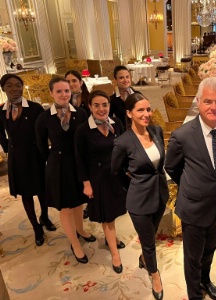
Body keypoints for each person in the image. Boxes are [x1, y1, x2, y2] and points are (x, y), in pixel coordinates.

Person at [165, 77, 216, 300]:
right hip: (194, 209)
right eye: (208, 101)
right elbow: (172, 167)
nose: (214, 107)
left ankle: (205, 280)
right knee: (193, 258)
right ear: (198, 101)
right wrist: (192, 186)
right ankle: (194, 295)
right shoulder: (182, 135)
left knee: (210, 251)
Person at [111, 93, 168, 299]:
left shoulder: (156, 131)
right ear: (129, 113)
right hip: (139, 200)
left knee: (151, 234)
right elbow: (116, 171)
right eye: (140, 110)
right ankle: (154, 275)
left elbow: (159, 164)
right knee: (149, 241)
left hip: (160, 194)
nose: (147, 114)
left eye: (148, 109)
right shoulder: (123, 142)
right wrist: (133, 185)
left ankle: (144, 259)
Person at [35, 77, 95, 264]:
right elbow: (41, 146)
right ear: (51, 93)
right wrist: (53, 162)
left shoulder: (81, 113)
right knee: (66, 206)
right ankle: (75, 243)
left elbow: (87, 138)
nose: (64, 95)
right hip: (59, 166)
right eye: (59, 91)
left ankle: (81, 229)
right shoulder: (44, 118)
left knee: (79, 202)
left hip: (79, 164)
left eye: (67, 91)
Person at [0, 74, 56, 247]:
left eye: (18, 85)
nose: (14, 88)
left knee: (42, 190)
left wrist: (45, 152)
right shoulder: (1, 111)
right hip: (17, 157)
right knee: (25, 194)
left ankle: (45, 217)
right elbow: (1, 134)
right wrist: (9, 148)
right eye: (9, 85)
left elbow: (44, 132)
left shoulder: (35, 108)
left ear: (22, 87)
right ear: (3, 89)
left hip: (35, 154)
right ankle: (36, 228)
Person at [75, 90, 127, 273]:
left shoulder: (116, 123)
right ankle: (114, 254)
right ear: (89, 106)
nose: (101, 108)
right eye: (96, 105)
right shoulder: (82, 130)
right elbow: (79, 159)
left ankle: (110, 238)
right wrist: (86, 183)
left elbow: (124, 147)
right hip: (98, 178)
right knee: (108, 216)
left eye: (104, 104)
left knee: (116, 211)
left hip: (116, 175)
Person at [65, 69, 91, 219]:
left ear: (81, 82)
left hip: (89, 140)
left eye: (74, 80)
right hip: (72, 142)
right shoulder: (64, 101)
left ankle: (90, 203)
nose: (71, 84)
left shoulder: (88, 98)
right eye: (68, 81)